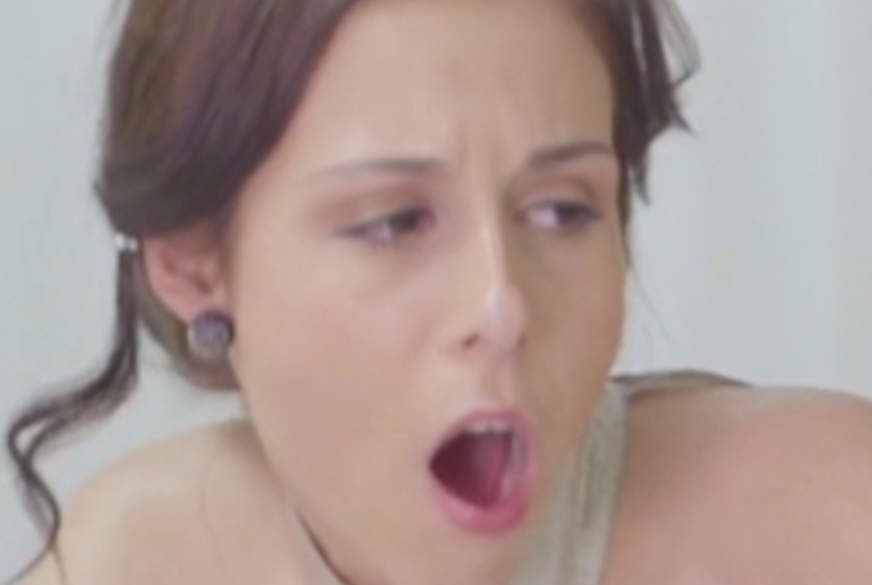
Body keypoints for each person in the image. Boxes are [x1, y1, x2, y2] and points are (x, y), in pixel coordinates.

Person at [6, 0, 872, 583]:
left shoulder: (825, 517)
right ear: (195, 268)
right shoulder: (131, 560)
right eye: (393, 222)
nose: (502, 305)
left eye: (564, 209)